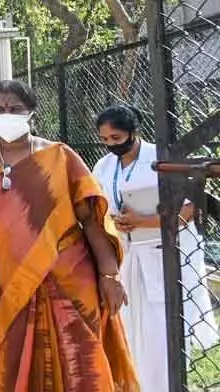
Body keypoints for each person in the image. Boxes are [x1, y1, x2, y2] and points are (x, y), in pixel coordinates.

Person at [0, 80, 139, 391]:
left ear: (31, 113)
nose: (6, 114)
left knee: (83, 363)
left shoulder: (60, 157)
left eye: (15, 109)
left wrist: (110, 275)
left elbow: (91, 219)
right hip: (9, 284)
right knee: (14, 360)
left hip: (69, 279)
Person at [92, 104, 219, 391]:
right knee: (128, 324)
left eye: (117, 137)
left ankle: (164, 384)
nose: (112, 145)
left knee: (161, 328)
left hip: (164, 251)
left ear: (133, 132)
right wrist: (115, 221)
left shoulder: (161, 159)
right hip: (127, 253)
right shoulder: (104, 166)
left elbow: (187, 211)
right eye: (105, 140)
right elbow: (97, 206)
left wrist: (144, 220)